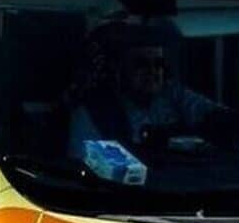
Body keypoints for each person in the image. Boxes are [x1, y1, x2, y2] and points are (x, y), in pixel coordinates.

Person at [67, 25, 223, 161]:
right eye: (141, 64)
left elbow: (213, 114)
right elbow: (92, 164)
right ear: (117, 69)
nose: (152, 71)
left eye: (158, 64)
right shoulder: (93, 113)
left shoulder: (173, 95)